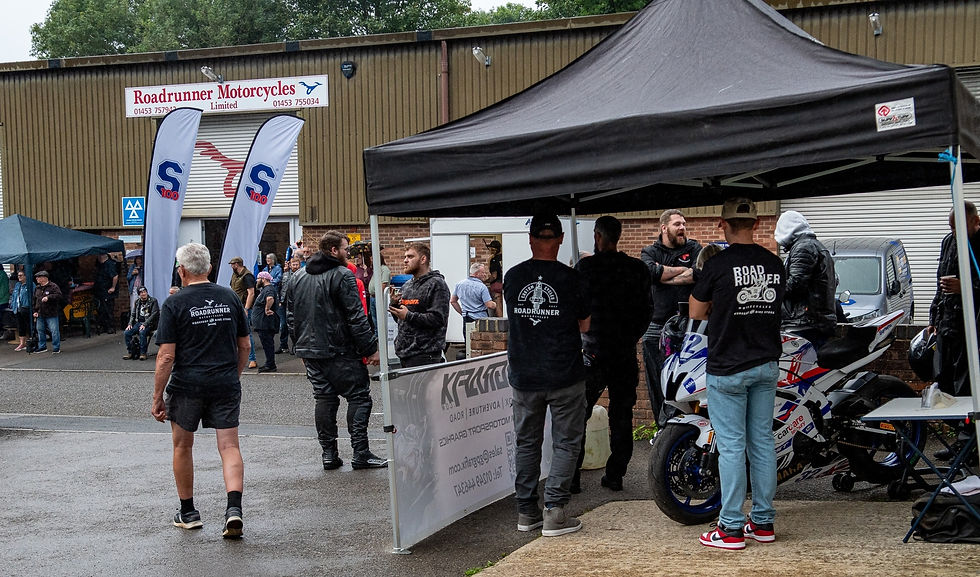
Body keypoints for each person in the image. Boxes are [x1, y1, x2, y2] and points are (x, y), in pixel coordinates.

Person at [690, 198, 785, 550]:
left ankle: (730, 529)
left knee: (731, 447)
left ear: (722, 224)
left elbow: (697, 312)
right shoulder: (775, 264)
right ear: (756, 223)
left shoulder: (718, 265)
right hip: (766, 363)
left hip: (728, 366)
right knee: (761, 443)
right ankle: (763, 523)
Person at [151, 242, 250, 538]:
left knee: (182, 446)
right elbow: (244, 345)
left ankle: (189, 511)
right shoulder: (229, 296)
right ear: (208, 268)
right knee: (229, 446)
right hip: (224, 381)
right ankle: (234, 509)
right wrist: (234, 374)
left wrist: (157, 396)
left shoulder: (174, 303)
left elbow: (166, 356)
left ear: (181, 271)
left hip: (187, 384)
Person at [505, 213, 590, 537]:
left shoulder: (513, 278)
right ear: (559, 239)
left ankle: (527, 513)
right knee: (566, 443)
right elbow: (585, 325)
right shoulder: (573, 278)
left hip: (525, 375)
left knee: (527, 443)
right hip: (565, 374)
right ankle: (554, 510)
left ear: (530, 240)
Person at [286, 230, 387, 471]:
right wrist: (371, 349)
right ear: (334, 251)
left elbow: (292, 316)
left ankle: (329, 454)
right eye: (345, 249)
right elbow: (356, 317)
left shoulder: (298, 276)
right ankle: (360, 452)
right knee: (359, 397)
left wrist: (300, 347)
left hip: (311, 350)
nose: (348, 253)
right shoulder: (342, 275)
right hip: (339, 350)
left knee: (325, 398)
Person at [571, 216, 651, 493]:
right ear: (618, 236)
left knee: (578, 413)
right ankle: (615, 475)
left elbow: (575, 309)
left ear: (597, 236)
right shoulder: (637, 269)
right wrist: (630, 337)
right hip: (623, 351)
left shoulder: (585, 268)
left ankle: (572, 478)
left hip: (591, 350)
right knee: (621, 414)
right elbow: (646, 312)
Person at [928, 202, 980, 462]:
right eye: (951, 227)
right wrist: (933, 317)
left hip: (970, 328)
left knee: (967, 387)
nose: (954, 231)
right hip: (947, 324)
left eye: (959, 226)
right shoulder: (948, 242)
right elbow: (940, 281)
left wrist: (965, 288)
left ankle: (969, 444)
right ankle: (958, 439)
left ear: (974, 221)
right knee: (945, 384)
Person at [641, 209, 702, 427]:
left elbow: (697, 273)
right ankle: (662, 427)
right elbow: (651, 272)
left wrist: (666, 276)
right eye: (677, 224)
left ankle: (684, 427)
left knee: (685, 380)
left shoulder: (694, 248)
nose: (682, 228)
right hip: (656, 326)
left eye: (684, 224)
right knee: (657, 381)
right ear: (664, 228)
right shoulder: (649, 251)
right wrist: (680, 271)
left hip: (688, 326)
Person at [774, 210, 837, 347]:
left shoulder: (804, 247)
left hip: (803, 323)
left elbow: (796, 284)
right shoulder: (816, 246)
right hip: (814, 322)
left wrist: (773, 289)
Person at [389, 243, 451, 368]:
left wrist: (408, 315)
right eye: (405, 257)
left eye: (410, 257)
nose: (405, 260)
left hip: (426, 354)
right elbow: (401, 320)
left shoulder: (437, 284)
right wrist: (395, 305)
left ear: (423, 259)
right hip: (405, 353)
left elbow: (438, 319)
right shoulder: (407, 286)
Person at [450, 262, 496, 336]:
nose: (485, 275)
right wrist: (495, 304)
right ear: (477, 274)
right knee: (481, 343)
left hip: (467, 318)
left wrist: (462, 313)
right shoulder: (482, 287)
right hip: (481, 319)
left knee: (468, 342)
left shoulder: (460, 284)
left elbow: (453, 301)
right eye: (483, 273)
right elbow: (489, 305)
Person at [228, 256, 258, 369]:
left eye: (232, 264)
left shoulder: (247, 276)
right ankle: (237, 358)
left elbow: (251, 293)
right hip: (236, 306)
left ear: (237, 264)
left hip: (243, 307)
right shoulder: (235, 275)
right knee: (235, 333)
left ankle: (252, 359)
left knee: (247, 333)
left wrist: (246, 308)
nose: (231, 266)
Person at [251, 270, 279, 373]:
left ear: (263, 279)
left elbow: (270, 298)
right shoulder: (265, 289)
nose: (257, 280)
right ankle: (269, 363)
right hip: (262, 323)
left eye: (258, 278)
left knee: (268, 344)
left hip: (265, 323)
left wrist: (267, 309)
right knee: (267, 344)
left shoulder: (268, 289)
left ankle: (270, 365)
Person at [123, 286, 159, 360]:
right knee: (127, 333)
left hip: (149, 324)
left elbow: (154, 314)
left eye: (144, 292)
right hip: (138, 322)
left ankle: (143, 353)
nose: (143, 294)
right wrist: (130, 324)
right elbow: (133, 314)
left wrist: (145, 324)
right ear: (139, 294)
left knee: (142, 332)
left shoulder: (153, 301)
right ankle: (130, 352)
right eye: (141, 293)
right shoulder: (137, 302)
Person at [32, 270, 63, 354]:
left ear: (44, 278)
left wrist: (49, 297)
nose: (36, 279)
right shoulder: (37, 288)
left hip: (51, 312)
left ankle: (56, 347)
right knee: (40, 330)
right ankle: (42, 346)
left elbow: (59, 295)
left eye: (38, 277)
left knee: (54, 330)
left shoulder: (53, 286)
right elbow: (34, 300)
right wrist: (34, 310)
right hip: (40, 312)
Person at [277, 257, 301, 353]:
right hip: (284, 303)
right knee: (283, 325)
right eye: (293, 264)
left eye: (296, 264)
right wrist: (279, 300)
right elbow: (280, 287)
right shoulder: (285, 274)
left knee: (294, 325)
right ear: (290, 265)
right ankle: (283, 345)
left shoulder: (302, 275)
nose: (295, 266)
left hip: (295, 304)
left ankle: (295, 345)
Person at [94, 253, 120, 334]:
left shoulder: (109, 264)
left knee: (108, 310)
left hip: (107, 292)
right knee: (102, 310)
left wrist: (113, 287)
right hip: (101, 292)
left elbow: (115, 276)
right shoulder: (100, 265)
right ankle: (104, 327)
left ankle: (110, 327)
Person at [11, 270, 32, 351]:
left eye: (21, 275)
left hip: (26, 308)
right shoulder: (17, 285)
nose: (19, 277)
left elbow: (33, 296)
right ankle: (22, 343)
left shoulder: (30, 284)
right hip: (18, 308)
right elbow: (14, 296)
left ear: (26, 276)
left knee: (29, 325)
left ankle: (31, 342)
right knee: (20, 326)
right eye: (18, 275)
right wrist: (13, 305)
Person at [486, 240, 503, 316]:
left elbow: (494, 276)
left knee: (498, 304)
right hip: (505, 283)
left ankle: (501, 322)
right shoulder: (504, 257)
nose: (490, 251)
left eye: (492, 249)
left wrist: (484, 281)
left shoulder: (494, 260)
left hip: (497, 285)